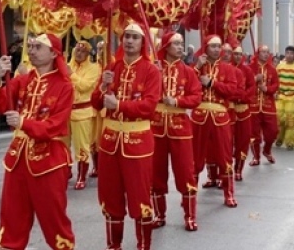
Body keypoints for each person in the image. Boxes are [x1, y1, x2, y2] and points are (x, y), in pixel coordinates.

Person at [0, 33, 75, 250]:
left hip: (49, 160)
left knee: (53, 219)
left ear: (54, 53)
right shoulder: (24, 80)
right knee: (12, 216)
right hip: (18, 158)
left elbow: (55, 125)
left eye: (38, 47)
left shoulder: (64, 85)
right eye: (31, 46)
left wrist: (23, 122)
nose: (32, 51)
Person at [93, 23, 161, 250]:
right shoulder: (113, 68)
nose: (129, 41)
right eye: (126, 37)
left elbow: (149, 106)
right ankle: (114, 244)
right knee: (110, 195)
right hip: (110, 140)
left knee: (140, 195)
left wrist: (119, 104)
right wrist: (103, 86)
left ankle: (143, 245)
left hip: (138, 141)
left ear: (142, 43)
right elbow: (95, 102)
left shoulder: (151, 71)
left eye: (134, 37)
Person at [151, 30, 203, 230]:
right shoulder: (154, 69)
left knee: (185, 172)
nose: (180, 47)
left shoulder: (188, 72)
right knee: (156, 173)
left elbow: (196, 97)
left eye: (182, 44)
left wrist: (177, 101)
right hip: (156, 128)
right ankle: (159, 215)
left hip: (180, 128)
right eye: (176, 44)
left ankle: (189, 216)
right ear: (165, 47)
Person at [191, 34, 243, 208]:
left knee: (224, 155)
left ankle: (229, 194)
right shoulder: (198, 67)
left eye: (218, 46)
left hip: (221, 116)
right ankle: (191, 195)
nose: (216, 49)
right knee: (195, 156)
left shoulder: (228, 69)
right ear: (205, 48)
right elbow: (186, 86)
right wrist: (197, 68)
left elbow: (233, 91)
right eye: (212, 46)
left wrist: (212, 83)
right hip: (200, 116)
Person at [68, 39, 101, 189]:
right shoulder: (68, 66)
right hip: (65, 111)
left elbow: (84, 86)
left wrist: (70, 75)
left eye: (82, 51)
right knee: (62, 145)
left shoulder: (94, 68)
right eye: (77, 50)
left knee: (83, 145)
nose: (79, 53)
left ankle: (81, 176)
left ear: (88, 54)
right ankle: (65, 171)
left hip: (83, 111)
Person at [249, 45, 279, 166]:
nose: (266, 54)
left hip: (268, 106)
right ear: (258, 53)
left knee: (273, 132)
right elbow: (244, 83)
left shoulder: (272, 69)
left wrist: (266, 88)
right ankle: (256, 157)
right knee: (254, 134)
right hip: (253, 106)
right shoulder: (250, 68)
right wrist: (255, 79)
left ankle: (267, 150)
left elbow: (276, 85)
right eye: (263, 52)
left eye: (267, 52)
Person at [229, 43, 255, 181]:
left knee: (243, 141)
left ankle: (238, 169)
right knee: (226, 142)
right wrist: (235, 96)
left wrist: (242, 96)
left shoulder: (247, 70)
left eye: (240, 54)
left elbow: (251, 88)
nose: (237, 56)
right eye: (235, 54)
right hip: (230, 110)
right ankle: (223, 172)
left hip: (244, 111)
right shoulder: (227, 69)